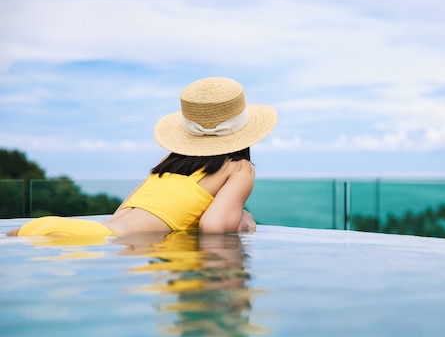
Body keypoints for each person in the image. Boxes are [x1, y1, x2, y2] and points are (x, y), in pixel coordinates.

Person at [8, 76, 278, 238]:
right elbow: (214, 227)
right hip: (85, 241)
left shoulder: (170, 162)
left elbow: (123, 212)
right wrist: (243, 221)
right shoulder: (240, 168)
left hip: (58, 227)